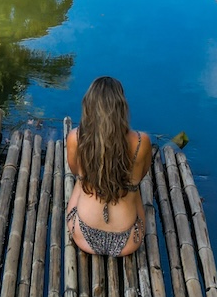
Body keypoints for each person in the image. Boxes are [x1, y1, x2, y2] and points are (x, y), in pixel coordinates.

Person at [65, 76, 152, 258]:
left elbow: (74, 170)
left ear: (88, 106)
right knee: (133, 187)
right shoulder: (141, 142)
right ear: (122, 108)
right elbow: (143, 174)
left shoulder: (76, 137)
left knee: (81, 181)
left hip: (82, 234)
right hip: (129, 240)